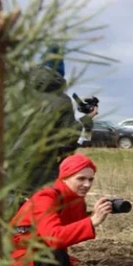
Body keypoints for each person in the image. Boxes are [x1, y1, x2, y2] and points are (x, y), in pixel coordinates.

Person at [3, 154, 110, 266]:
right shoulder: (46, 197)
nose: (87, 184)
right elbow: (55, 238)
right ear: (65, 177)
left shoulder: (75, 200)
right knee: (55, 253)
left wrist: (93, 215)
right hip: (18, 264)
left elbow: (69, 234)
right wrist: (92, 222)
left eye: (90, 179)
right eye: (81, 178)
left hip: (43, 263)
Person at [29, 46, 97, 196]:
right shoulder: (61, 101)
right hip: (41, 172)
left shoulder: (12, 95)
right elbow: (68, 140)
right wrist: (87, 119)